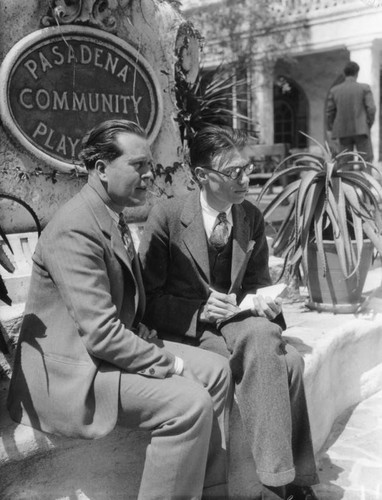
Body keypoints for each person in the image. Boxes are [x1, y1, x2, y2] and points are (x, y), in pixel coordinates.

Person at [7, 119, 232, 500]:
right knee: (189, 402)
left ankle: (212, 493)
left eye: (149, 165)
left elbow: (118, 309)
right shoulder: (75, 228)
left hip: (102, 356)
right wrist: (172, 365)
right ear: (100, 169)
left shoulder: (110, 213)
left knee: (217, 370)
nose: (149, 175)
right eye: (138, 165)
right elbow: (101, 333)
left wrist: (140, 330)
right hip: (74, 375)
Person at [139, 126, 320, 500]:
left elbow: (257, 284)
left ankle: (283, 481)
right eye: (233, 172)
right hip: (191, 330)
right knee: (289, 364)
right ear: (203, 176)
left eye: (247, 168)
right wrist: (199, 310)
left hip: (239, 324)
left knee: (264, 335)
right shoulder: (167, 216)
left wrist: (266, 303)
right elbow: (147, 300)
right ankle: (286, 484)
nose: (245, 178)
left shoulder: (249, 216)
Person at [326, 60, 376, 165]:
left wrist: (331, 128)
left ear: (344, 74)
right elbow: (371, 108)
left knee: (344, 163)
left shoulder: (334, 90)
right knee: (366, 162)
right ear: (357, 73)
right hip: (361, 130)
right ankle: (364, 181)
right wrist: (368, 124)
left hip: (342, 131)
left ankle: (345, 182)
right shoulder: (364, 88)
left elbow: (329, 112)